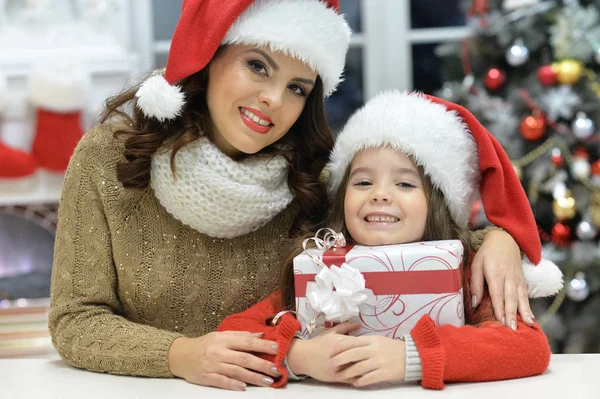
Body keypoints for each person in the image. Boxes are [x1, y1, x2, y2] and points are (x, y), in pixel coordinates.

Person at [48, 0, 533, 392]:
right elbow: (75, 319)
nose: (274, 101)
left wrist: (500, 239)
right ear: (210, 55)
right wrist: (180, 355)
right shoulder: (109, 159)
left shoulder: (312, 177)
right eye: (258, 66)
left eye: (298, 88)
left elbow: (408, 225)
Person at [217, 91, 564, 390]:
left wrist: (410, 358)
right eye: (364, 183)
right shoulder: (323, 266)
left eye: (405, 184)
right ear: (342, 198)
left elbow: (528, 347)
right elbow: (235, 331)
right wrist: (297, 356)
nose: (380, 195)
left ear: (437, 205)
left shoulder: (466, 270)